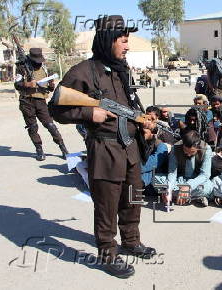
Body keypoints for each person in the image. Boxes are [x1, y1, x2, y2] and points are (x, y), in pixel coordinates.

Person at [49, 15, 156, 278]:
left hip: (130, 149)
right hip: (105, 151)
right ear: (108, 40)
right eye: (123, 40)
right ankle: (108, 253)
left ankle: (130, 242)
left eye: (128, 40)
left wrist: (144, 120)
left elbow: (131, 104)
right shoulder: (83, 71)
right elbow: (56, 108)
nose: (127, 45)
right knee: (107, 206)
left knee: (134, 199)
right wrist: (88, 115)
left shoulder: (122, 69)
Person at [15, 47, 68, 161]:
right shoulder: (21, 67)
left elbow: (50, 88)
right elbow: (17, 84)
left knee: (50, 125)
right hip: (26, 102)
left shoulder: (44, 67)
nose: (39, 63)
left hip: (41, 101)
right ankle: (39, 150)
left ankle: (63, 148)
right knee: (33, 127)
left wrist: (51, 85)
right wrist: (28, 84)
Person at [157, 130, 213, 207]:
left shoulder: (206, 149)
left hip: (196, 182)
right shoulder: (175, 148)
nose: (188, 154)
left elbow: (205, 175)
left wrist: (188, 186)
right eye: (186, 151)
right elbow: (172, 173)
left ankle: (177, 195)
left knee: (207, 187)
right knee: (156, 179)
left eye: (192, 152)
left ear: (198, 147)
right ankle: (193, 197)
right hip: (179, 181)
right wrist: (169, 188)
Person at [140, 122, 169, 193]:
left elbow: (153, 163)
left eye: (144, 132)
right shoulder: (140, 142)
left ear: (152, 133)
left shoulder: (161, 146)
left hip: (156, 177)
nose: (142, 135)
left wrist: (133, 167)